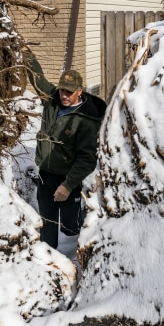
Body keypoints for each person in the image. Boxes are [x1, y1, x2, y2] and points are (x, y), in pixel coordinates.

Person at [22, 46, 106, 249]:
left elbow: (87, 158)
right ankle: (50, 259)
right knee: (48, 223)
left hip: (68, 178)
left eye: (69, 91)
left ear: (80, 91)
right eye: (62, 90)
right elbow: (38, 79)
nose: (64, 95)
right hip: (45, 175)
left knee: (70, 226)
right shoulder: (52, 101)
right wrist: (26, 53)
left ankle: (83, 234)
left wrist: (68, 186)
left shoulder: (86, 120)